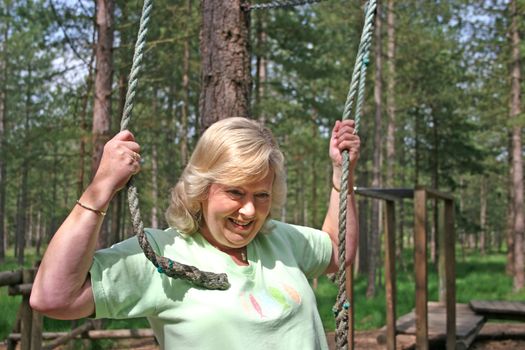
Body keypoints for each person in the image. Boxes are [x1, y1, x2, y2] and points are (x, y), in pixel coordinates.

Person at [30, 117, 360, 349]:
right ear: (202, 189)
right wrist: (100, 188)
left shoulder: (278, 239)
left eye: (261, 196)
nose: (249, 210)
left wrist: (340, 175)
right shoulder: (162, 254)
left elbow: (336, 251)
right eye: (235, 192)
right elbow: (53, 297)